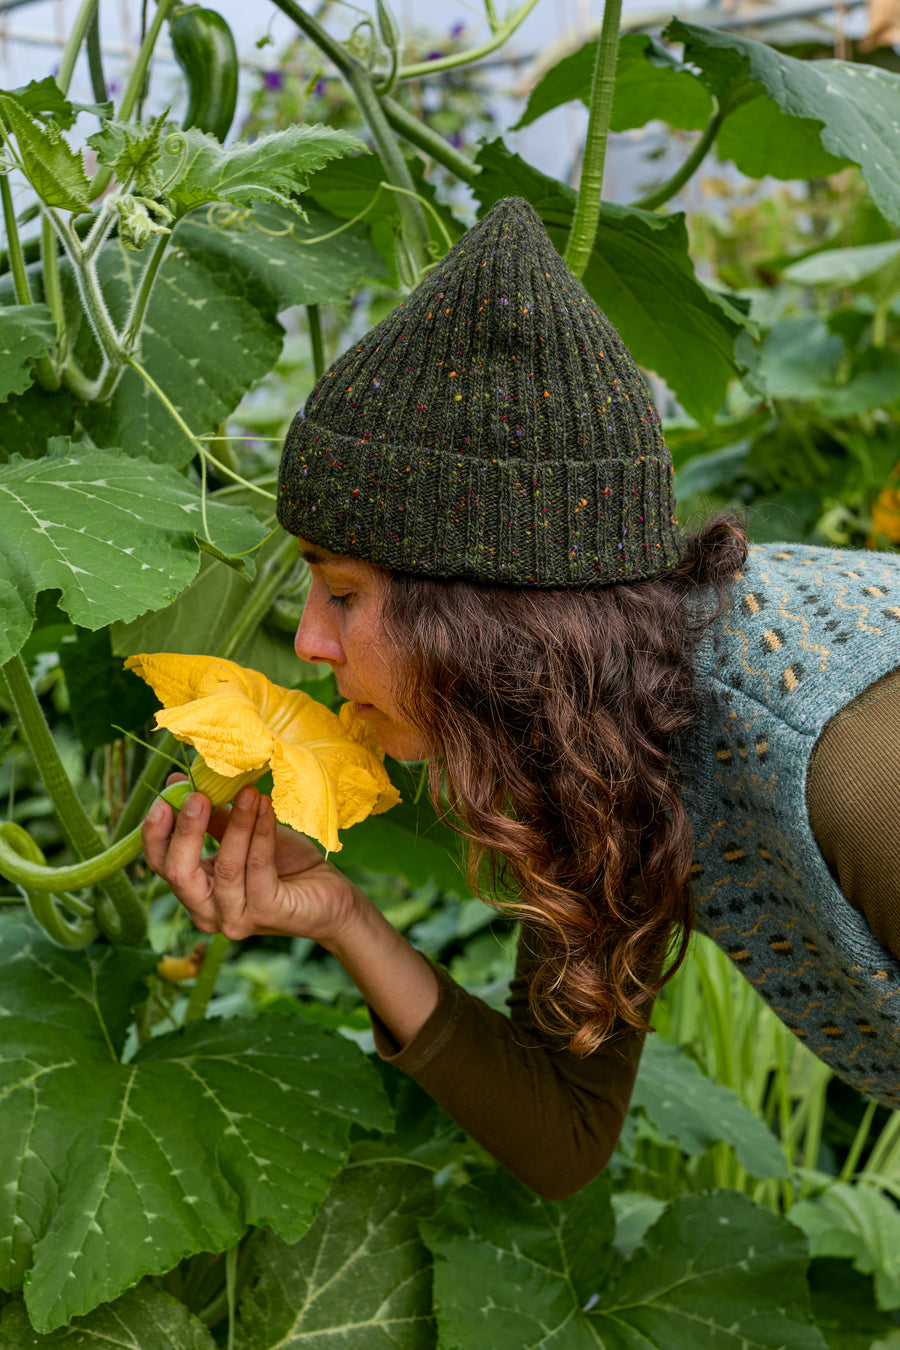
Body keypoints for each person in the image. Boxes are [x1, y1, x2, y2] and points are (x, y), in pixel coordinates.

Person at [142, 197, 900, 1199]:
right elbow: (564, 1130)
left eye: (344, 593)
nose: (309, 641)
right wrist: (342, 921)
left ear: (482, 619)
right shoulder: (600, 742)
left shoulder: (841, 759)